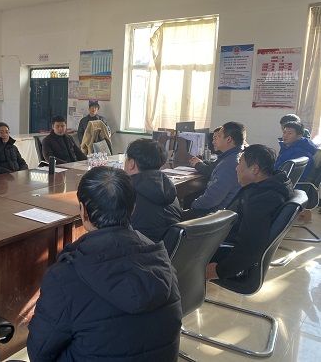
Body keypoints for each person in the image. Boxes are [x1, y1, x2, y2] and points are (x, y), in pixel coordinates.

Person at [27, 166, 182, 361]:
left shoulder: (64, 276)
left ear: (83, 211)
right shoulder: (161, 259)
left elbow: (39, 353)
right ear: (133, 208)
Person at [207, 144, 293, 280]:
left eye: (240, 163)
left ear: (255, 169)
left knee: (176, 247)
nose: (236, 168)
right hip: (226, 239)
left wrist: (220, 271)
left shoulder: (260, 200)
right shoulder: (273, 185)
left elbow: (251, 245)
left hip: (227, 255)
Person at [124, 139, 182, 242]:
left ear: (131, 163)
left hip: (138, 249)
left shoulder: (125, 193)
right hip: (170, 249)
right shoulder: (169, 189)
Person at [186, 121, 245, 218]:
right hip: (223, 214)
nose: (213, 141)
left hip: (213, 217)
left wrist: (193, 205)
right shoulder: (237, 156)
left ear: (229, 139)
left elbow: (211, 199)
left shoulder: (229, 164)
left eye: (219, 136)